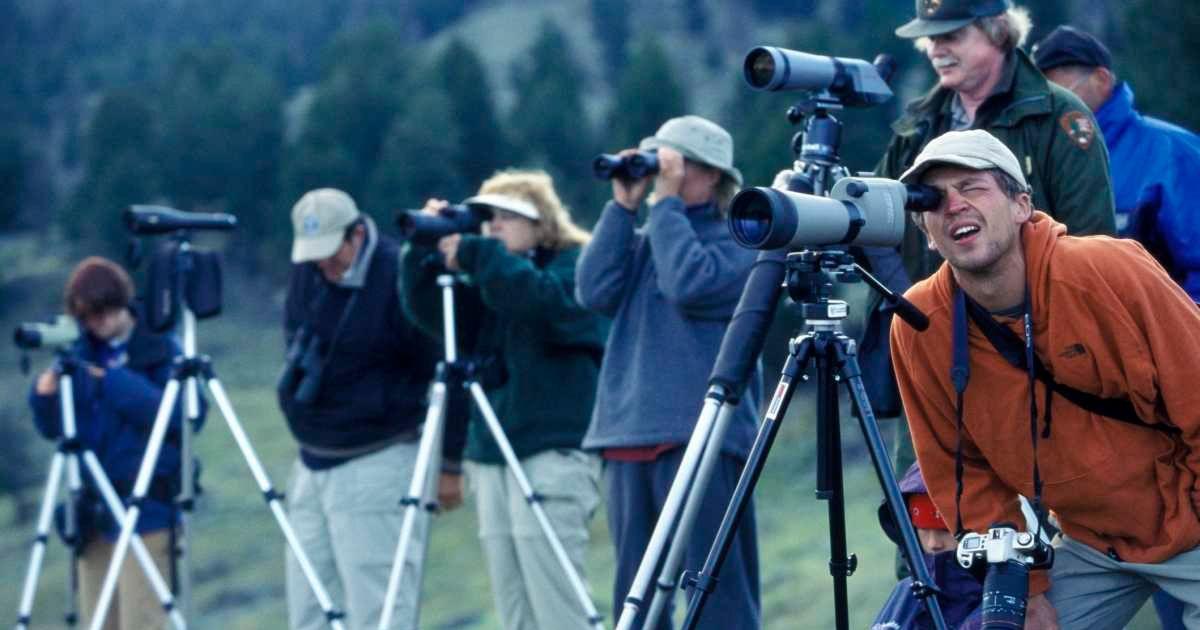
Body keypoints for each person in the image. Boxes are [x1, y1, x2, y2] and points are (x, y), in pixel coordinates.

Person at [889, 129, 1200, 629]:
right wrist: (1025, 589)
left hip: (1193, 519)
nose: (953, 206)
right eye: (934, 199)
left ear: (1021, 205)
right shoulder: (920, 323)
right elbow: (958, 470)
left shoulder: (1106, 269)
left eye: (972, 188)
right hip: (1089, 539)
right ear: (926, 232)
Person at [863, 0, 1117, 483]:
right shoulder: (920, 125)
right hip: (936, 350)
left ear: (998, 32)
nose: (938, 49)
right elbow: (877, 223)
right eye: (931, 39)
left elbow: (1090, 248)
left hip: (1036, 358)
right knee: (929, 515)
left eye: (953, 36)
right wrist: (909, 306)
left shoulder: (1057, 118)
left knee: (1044, 527)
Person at [576, 115, 763, 629]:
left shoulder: (745, 243)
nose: (662, 175)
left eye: (672, 165)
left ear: (709, 175)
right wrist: (622, 207)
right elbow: (593, 291)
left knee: (716, 593)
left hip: (703, 437)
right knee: (636, 598)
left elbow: (689, 284)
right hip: (628, 434)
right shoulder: (646, 236)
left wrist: (664, 206)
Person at [400, 169, 606, 630]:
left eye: (507, 217)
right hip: (493, 456)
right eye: (486, 218)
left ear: (542, 223)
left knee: (557, 601)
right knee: (514, 607)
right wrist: (420, 253)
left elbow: (542, 304)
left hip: (551, 452)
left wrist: (478, 255)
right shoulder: (491, 280)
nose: (493, 226)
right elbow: (431, 315)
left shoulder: (575, 266)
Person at [278, 188, 439, 630]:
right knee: (309, 608)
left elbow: (436, 363)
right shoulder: (308, 273)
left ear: (357, 233)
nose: (324, 266)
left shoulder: (397, 272)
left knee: (379, 608)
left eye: (331, 253)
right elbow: (295, 332)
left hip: (378, 458)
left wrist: (450, 461)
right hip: (311, 461)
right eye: (314, 258)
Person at [29, 256, 191, 630]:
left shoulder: (160, 346)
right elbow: (54, 428)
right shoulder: (79, 351)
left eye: (103, 312)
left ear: (122, 302)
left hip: (146, 509)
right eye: (86, 316)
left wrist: (109, 380)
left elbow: (174, 415)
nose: (96, 324)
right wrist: (45, 396)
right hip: (95, 512)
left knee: (143, 620)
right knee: (98, 620)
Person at [1033, 25, 1200, 303]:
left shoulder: (1173, 152)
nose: (1053, 106)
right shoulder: (1040, 158)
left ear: (1102, 79)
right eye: (1042, 97)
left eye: (1060, 93)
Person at [872, 463, 982, 630]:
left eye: (945, 531)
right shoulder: (905, 593)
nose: (933, 543)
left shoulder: (1007, 602)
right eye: (923, 529)